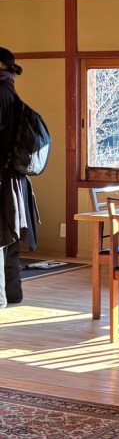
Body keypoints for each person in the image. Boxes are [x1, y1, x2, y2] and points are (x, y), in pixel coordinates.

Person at [0, 47, 39, 308]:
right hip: (15, 177)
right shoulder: (10, 91)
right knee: (9, 237)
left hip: (2, 176)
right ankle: (12, 293)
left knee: (1, 236)